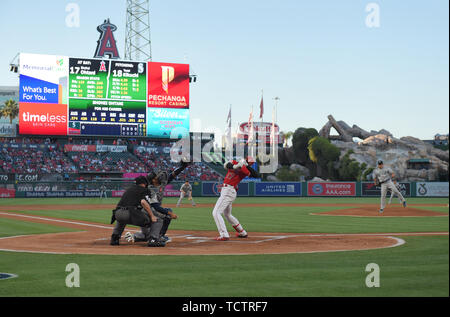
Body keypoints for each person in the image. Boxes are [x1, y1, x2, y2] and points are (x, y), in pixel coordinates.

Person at [125, 160, 189, 244]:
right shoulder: (150, 189)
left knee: (146, 235)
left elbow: (171, 176)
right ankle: (159, 236)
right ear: (154, 179)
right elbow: (156, 207)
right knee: (167, 214)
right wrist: (170, 214)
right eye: (157, 176)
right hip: (146, 213)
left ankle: (135, 237)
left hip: (141, 213)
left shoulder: (154, 184)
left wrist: (182, 167)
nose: (160, 178)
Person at [212, 156, 260, 241]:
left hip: (228, 191)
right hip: (227, 190)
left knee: (216, 212)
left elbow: (255, 175)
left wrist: (245, 166)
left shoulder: (245, 169)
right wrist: (236, 165)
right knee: (227, 215)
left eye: (247, 161)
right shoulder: (235, 162)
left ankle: (224, 234)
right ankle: (242, 232)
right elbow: (226, 165)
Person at [110, 176, 164, 247]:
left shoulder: (129, 189)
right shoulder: (144, 190)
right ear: (144, 184)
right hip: (131, 214)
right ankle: (153, 239)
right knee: (158, 220)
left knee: (122, 219)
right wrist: (152, 216)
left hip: (117, 214)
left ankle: (115, 238)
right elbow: (143, 202)